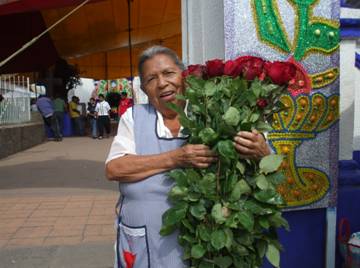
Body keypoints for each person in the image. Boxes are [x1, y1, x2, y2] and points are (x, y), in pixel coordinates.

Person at [105, 46, 271, 268]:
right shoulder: (135, 118)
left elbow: (265, 167)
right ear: (144, 89)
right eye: (151, 79)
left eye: (168, 73)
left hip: (206, 246)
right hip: (144, 244)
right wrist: (176, 158)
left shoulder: (213, 113)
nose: (162, 83)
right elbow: (115, 169)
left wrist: (262, 153)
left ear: (183, 76)